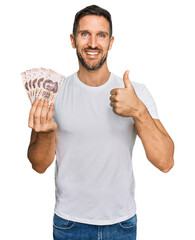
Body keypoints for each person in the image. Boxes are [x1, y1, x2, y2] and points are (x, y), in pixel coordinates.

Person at [27, 5, 174, 240]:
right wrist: (46, 134)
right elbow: (38, 165)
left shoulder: (136, 93)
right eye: (85, 34)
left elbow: (166, 162)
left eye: (101, 35)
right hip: (69, 224)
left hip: (122, 225)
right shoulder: (52, 92)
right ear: (73, 40)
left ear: (111, 41)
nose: (93, 43)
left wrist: (138, 110)